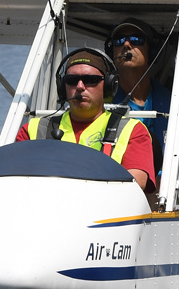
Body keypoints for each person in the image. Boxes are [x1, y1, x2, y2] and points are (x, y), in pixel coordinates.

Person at [16, 48, 155, 194]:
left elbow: (135, 185)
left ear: (108, 86)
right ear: (63, 87)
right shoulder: (32, 130)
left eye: (90, 80)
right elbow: (14, 180)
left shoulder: (133, 131)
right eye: (72, 80)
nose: (80, 87)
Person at [107, 22, 179, 204]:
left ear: (151, 52)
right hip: (120, 201)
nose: (126, 45)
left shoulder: (177, 107)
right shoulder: (101, 107)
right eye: (119, 41)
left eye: (136, 40)